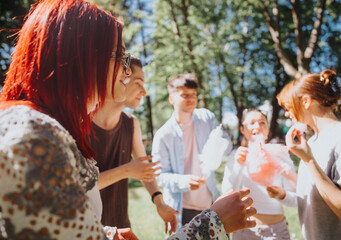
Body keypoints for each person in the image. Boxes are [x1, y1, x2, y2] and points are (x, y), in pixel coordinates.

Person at [0, 0, 257, 239]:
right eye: (121, 57)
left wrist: (104, 234)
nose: (126, 69)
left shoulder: (46, 128)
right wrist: (214, 224)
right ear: (81, 58)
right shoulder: (33, 137)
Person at [90, 56, 178, 234]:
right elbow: (79, 185)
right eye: (138, 83)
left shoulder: (131, 123)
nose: (144, 92)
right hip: (88, 227)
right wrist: (127, 170)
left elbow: (144, 169)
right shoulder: (83, 122)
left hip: (121, 224)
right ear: (121, 78)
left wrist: (159, 201)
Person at [277, 69, 341, 240]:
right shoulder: (311, 142)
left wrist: (308, 160)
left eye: (288, 106)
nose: (287, 113)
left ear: (306, 101)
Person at [152, 73, 232, 229]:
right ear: (171, 99)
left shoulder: (207, 117)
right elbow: (159, 176)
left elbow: (226, 145)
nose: (191, 98)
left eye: (194, 94)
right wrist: (184, 181)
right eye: (185, 95)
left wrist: (219, 147)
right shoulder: (163, 135)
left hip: (212, 204)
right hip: (183, 209)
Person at [222, 109, 297, 239]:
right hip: (245, 230)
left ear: (268, 129)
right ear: (242, 129)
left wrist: (282, 195)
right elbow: (227, 192)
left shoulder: (279, 155)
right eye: (252, 123)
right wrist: (238, 164)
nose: (257, 126)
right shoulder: (236, 155)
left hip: (276, 232)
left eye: (262, 123)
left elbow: (297, 198)